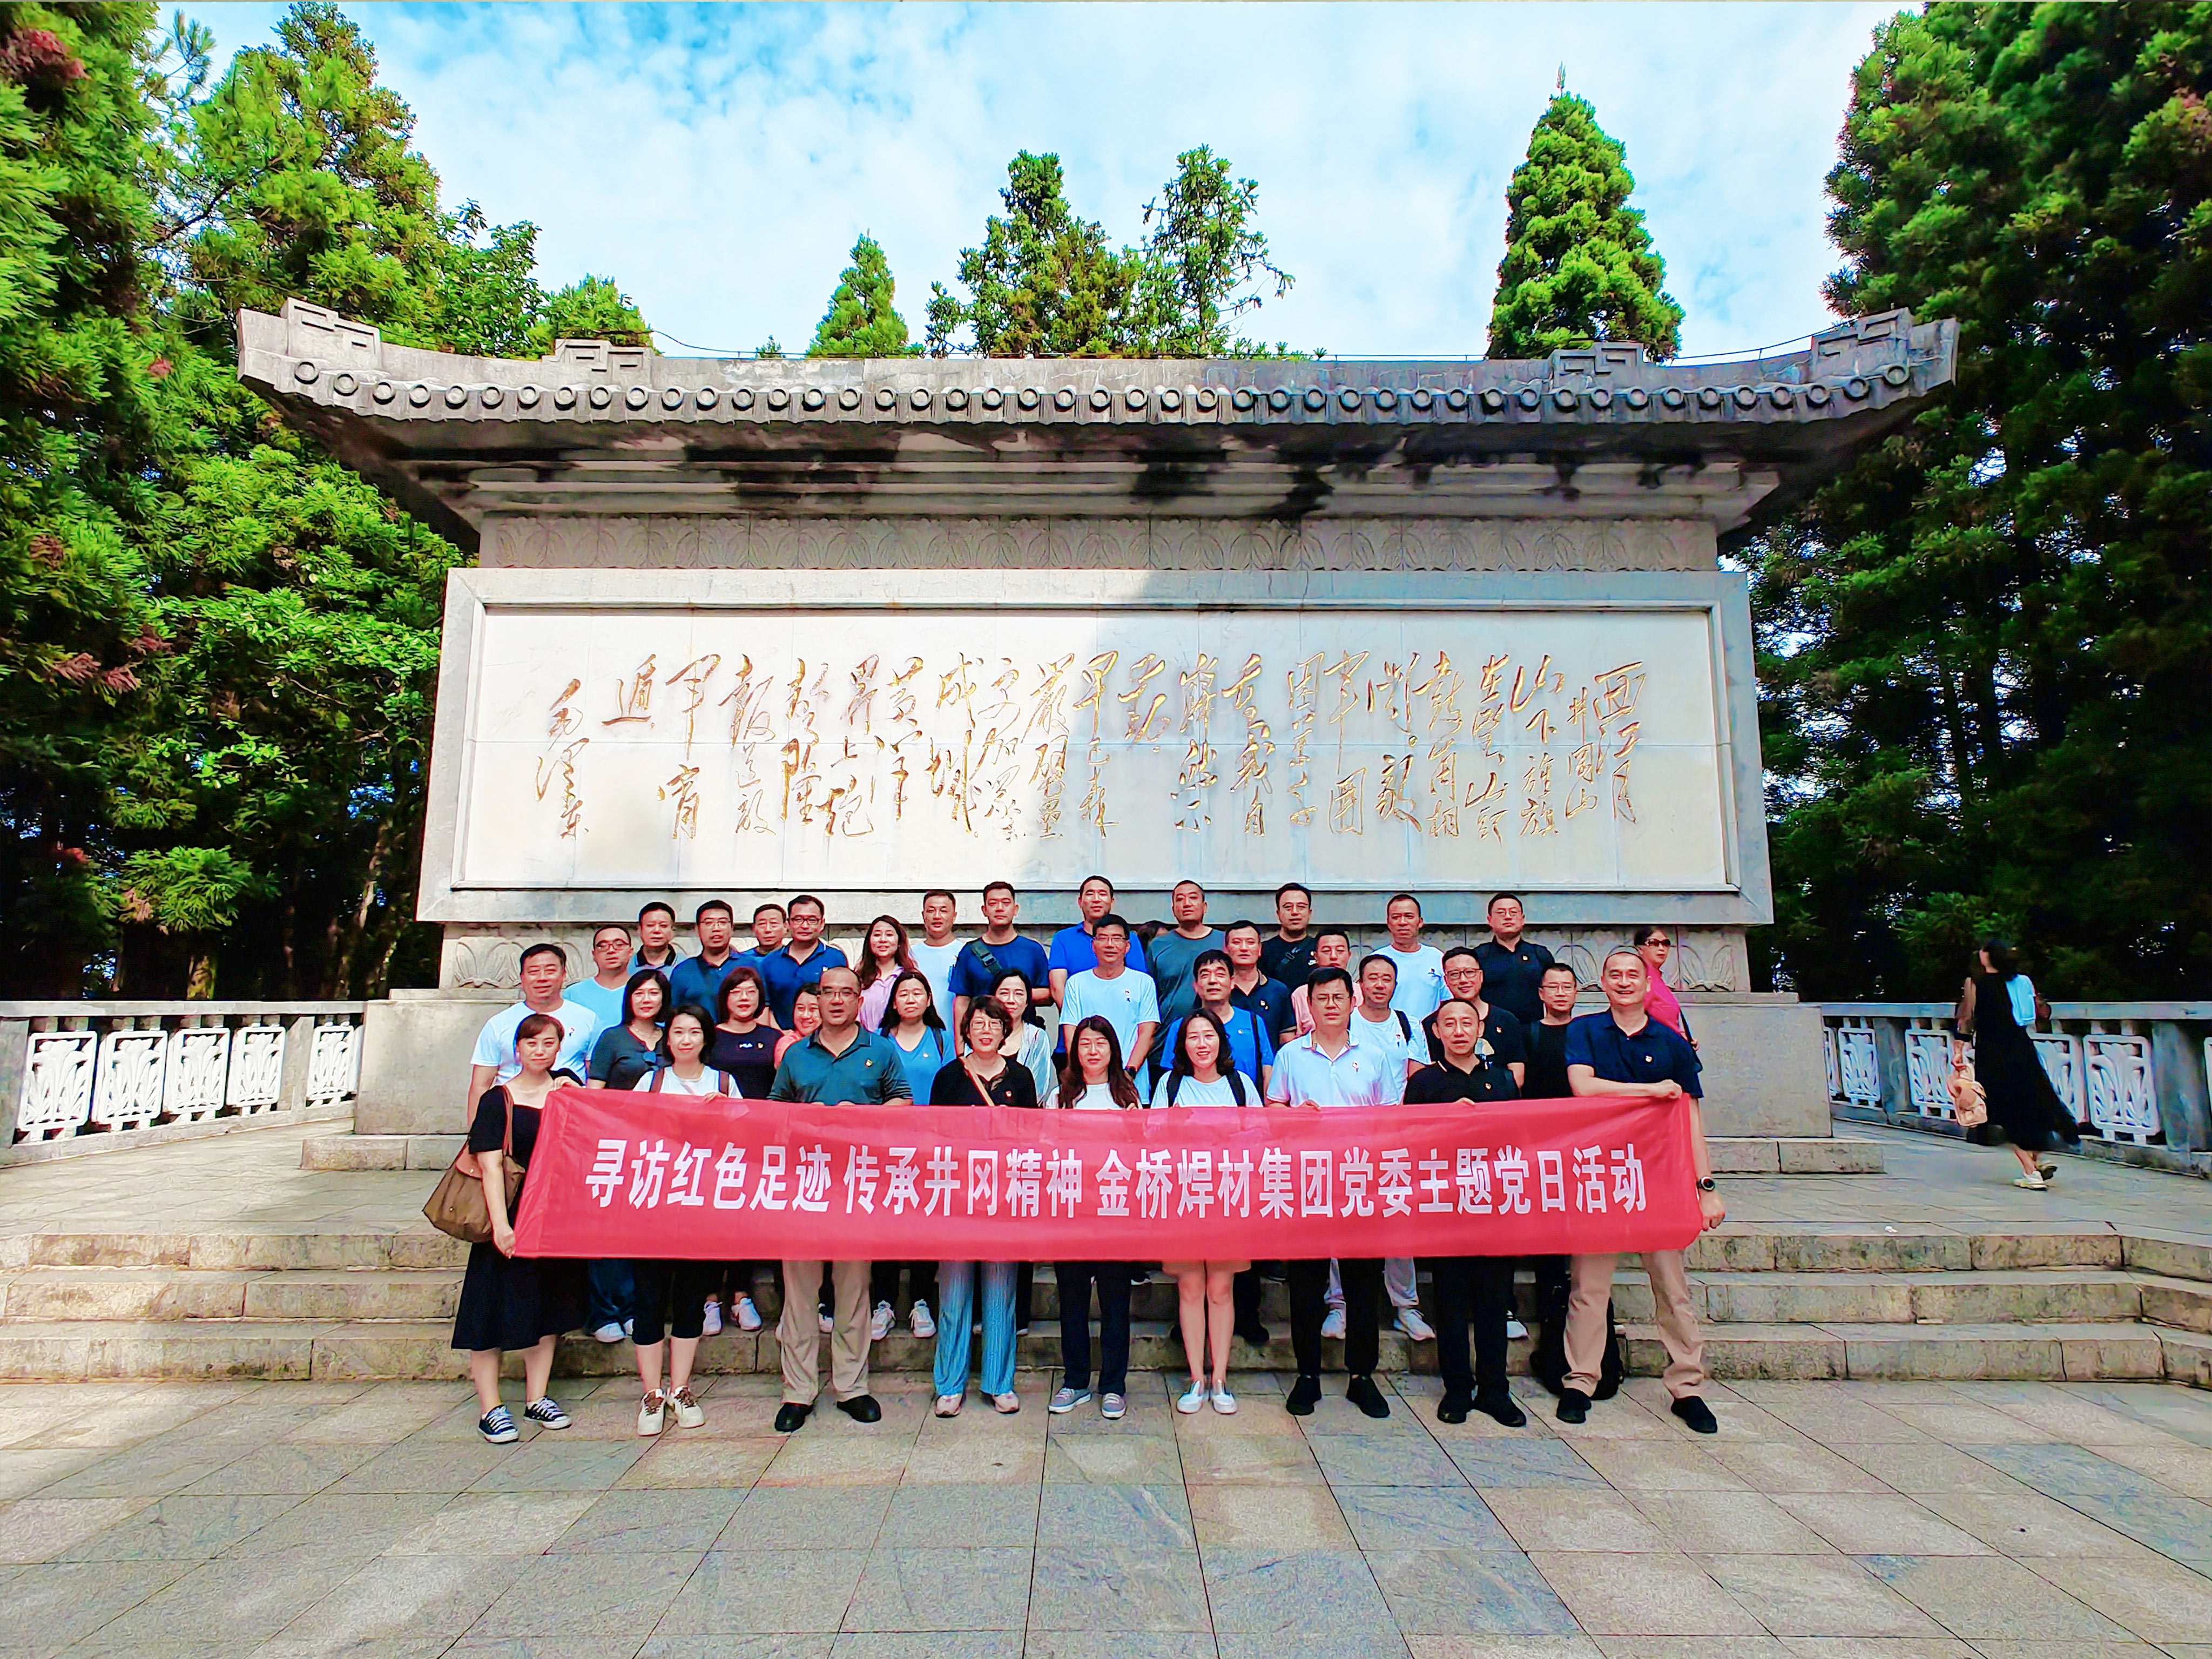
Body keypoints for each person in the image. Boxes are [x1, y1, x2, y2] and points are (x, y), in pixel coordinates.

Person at [1560, 948, 1727, 1434]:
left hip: (1661, 1177)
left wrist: (1707, 1187)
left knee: (1672, 1289)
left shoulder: (1672, 1042)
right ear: (1603, 983)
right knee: (1589, 1288)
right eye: (1616, 975)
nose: (1625, 982)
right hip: (1599, 1175)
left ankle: (1687, 1386)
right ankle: (1580, 1380)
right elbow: (1583, 1088)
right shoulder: (1585, 1031)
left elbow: (1690, 1118)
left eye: (1634, 974)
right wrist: (1652, 1092)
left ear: (1648, 983)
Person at [766, 966, 909, 1432]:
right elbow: (773, 1113)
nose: (836, 1001)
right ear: (818, 998)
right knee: (801, 1296)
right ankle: (799, 1392)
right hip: (804, 1187)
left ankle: (851, 1386)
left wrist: (863, 1116)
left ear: (858, 999)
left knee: (853, 1291)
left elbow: (904, 1104)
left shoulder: (881, 1050)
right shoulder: (796, 1056)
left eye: (847, 993)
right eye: (828, 993)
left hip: (857, 1187)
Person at [1267, 966, 1393, 1420]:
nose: (1332, 1005)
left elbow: (1391, 1119)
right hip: (1309, 1181)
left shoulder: (1376, 1055)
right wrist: (1293, 1115)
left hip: (1360, 1181)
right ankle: (1308, 1375)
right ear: (1310, 1005)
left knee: (1363, 1283)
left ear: (1352, 1001)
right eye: (1322, 998)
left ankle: (1362, 1376)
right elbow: (1273, 1108)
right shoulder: (1291, 1056)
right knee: (1306, 1284)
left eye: (1339, 997)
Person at [451, 1012, 582, 1442]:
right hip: (506, 1213)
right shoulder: (498, 1099)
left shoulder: (566, 1093)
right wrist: (502, 1227)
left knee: (546, 1309)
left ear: (559, 1048)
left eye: (548, 1043)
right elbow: (490, 1167)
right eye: (531, 1044)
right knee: (486, 1312)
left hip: (553, 1215)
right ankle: (490, 1407)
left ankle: (537, 1397)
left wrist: (575, 1089)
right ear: (517, 1050)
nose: (539, 1051)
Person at [1406, 999, 1527, 1427]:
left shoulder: (1502, 1079)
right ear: (1436, 1032)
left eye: (1467, 1022)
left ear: (1480, 1028)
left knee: (1494, 1304)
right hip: (1445, 1211)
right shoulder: (1424, 1083)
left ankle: (1496, 1389)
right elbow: (1409, 1142)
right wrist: (1444, 1121)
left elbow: (1520, 1138)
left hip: (1494, 1206)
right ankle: (1457, 1388)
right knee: (1452, 1304)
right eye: (1449, 1024)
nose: (1458, 1030)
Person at [626, 1007, 732, 1435]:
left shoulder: (724, 1083)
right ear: (666, 1040)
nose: (686, 1039)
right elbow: (623, 1133)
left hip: (702, 1208)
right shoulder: (650, 1082)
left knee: (691, 1298)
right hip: (654, 1206)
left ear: (706, 1038)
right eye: (678, 1032)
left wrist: (725, 1112)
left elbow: (747, 1139)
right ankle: (652, 1393)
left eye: (694, 1032)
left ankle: (682, 1387)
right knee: (649, 1299)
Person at [928, 999, 1034, 1418]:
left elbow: (1034, 1137)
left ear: (1005, 1030)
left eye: (994, 1023)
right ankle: (950, 1385)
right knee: (953, 1295)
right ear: (966, 1030)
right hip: (956, 1197)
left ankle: (999, 1382)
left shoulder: (1020, 1077)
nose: (986, 1029)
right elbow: (932, 1136)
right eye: (978, 1023)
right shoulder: (949, 1077)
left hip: (1004, 1199)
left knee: (1001, 1294)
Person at [1156, 1010, 1255, 1417]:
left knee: (1221, 1289)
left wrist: (1221, 1136)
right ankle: (1196, 1378)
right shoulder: (1171, 1084)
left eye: (1208, 1035)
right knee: (1191, 1288)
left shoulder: (1239, 1084)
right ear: (1182, 1045)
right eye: (1193, 1036)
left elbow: (1259, 1134)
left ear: (1220, 1041)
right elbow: (1154, 1136)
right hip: (1183, 1198)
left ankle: (1221, 1379)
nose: (1201, 1043)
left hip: (1229, 1197)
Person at [1047, 1015, 1144, 1420]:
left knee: (1114, 1302)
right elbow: (1046, 1149)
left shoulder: (1127, 1096)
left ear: (1113, 1049)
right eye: (1085, 1044)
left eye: (1100, 1044)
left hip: (1115, 1214)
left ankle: (1113, 1385)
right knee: (1071, 1300)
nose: (1092, 1051)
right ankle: (1074, 1381)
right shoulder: (1060, 1095)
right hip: (1071, 1213)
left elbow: (1140, 1152)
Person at [1337, 954, 1431, 1344]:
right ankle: (1337, 1304)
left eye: (1387, 979)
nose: (1379, 985)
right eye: (1372, 978)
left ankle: (1406, 1306)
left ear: (1395, 985)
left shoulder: (1406, 1024)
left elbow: (1418, 1075)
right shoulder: (1345, 1023)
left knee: (1396, 1219)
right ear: (1360, 984)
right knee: (1338, 1220)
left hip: (1394, 1135)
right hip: (1344, 1137)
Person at [1954, 936, 2080, 1189]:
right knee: (2034, 1100)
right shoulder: (2021, 982)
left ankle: (2030, 1171)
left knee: (2003, 1108)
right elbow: (2037, 1015)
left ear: (1986, 957)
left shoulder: (1975, 985)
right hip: (2022, 1049)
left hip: (1992, 1053)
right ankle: (2036, 1162)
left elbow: (1966, 1020)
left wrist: (1959, 1049)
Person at [872, 970, 948, 1343]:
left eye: (918, 992)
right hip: (886, 1147)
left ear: (929, 1000)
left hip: (930, 1149)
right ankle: (883, 1302)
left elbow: (951, 1086)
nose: (911, 999)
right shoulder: (878, 1041)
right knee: (885, 1224)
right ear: (894, 1002)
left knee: (924, 1225)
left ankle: (921, 1301)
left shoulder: (942, 1039)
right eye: (904, 994)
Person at [703, 968, 779, 1337]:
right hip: (715, 1142)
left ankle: (740, 1294)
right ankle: (709, 1298)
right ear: (725, 999)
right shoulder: (709, 1038)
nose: (744, 998)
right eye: (737, 992)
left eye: (751, 992)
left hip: (760, 1142)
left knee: (747, 1218)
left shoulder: (773, 1038)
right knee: (714, 1221)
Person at [1521, 961, 1584, 1366]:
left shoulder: (1590, 1031)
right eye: (1553, 987)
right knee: (1547, 1239)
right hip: (1541, 1144)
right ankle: (1550, 1324)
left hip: (1585, 1145)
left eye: (1568, 986)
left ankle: (1588, 1323)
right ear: (1541, 993)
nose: (1561, 993)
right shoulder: (1529, 1032)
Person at [466, 942, 600, 1124]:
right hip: (511, 1118)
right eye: (534, 971)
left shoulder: (588, 1019)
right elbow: (481, 1084)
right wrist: (476, 1136)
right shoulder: (499, 1024)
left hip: (569, 1118)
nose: (542, 978)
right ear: (522, 978)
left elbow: (596, 1079)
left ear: (564, 975)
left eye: (550, 970)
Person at [949, 880, 1051, 1043]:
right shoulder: (969, 952)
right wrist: (961, 1047)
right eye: (993, 903)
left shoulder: (1033, 950)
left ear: (1015, 909)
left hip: (1024, 1038)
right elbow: (962, 1001)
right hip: (981, 1038)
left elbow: (1048, 994)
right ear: (984, 910)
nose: (999, 908)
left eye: (1006, 903)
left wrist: (1012, 996)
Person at [1058, 914, 1159, 1075]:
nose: (1110, 945)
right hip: (1087, 1081)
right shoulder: (1076, 983)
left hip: (1132, 1080)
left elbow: (1146, 1033)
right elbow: (1071, 1033)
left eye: (1117, 938)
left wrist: (1130, 1073)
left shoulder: (1143, 982)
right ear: (1093, 945)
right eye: (1103, 938)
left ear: (1127, 946)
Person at [1164, 950, 1275, 1089]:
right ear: (1196, 986)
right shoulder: (1181, 1027)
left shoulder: (1253, 1022)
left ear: (1233, 982)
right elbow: (1170, 1075)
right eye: (1205, 975)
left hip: (1246, 1105)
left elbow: (1267, 1068)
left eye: (1220, 974)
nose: (1213, 981)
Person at [1422, 948, 1528, 1088]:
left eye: (1470, 972)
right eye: (1455, 975)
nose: (1463, 980)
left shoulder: (1507, 1020)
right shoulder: (1433, 1024)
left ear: (1481, 976)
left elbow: (1517, 1076)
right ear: (1446, 980)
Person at [1047, 875, 1152, 1015]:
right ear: (1080, 902)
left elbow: (1139, 987)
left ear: (1112, 902)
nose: (1096, 899)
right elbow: (1058, 988)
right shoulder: (1063, 939)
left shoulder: (1129, 938)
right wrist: (1077, 1023)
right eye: (1090, 894)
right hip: (1076, 1028)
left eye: (1102, 894)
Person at [1148, 880, 1226, 1028]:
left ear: (1205, 907)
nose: (1187, 904)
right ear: (1173, 909)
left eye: (1193, 898)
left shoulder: (1225, 941)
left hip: (1218, 1031)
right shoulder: (1158, 946)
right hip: (1168, 1031)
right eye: (1180, 899)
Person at [761, 894, 847, 1026]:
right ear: (789, 924)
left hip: (826, 1038)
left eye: (812, 920)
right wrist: (781, 1035)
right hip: (781, 1038)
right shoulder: (770, 962)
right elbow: (765, 1008)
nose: (805, 926)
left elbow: (843, 1002)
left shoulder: (836, 958)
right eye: (798, 920)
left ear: (822, 924)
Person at [1475, 892, 1556, 1030]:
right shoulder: (1479, 956)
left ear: (1522, 919)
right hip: (1492, 1031)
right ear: (1490, 920)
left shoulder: (1540, 955)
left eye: (1513, 912)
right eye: (1501, 913)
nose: (1508, 917)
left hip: (1534, 1031)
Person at [586, 968, 671, 1092]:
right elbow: (594, 1090)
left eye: (653, 993)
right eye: (639, 994)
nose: (646, 1000)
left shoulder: (672, 1037)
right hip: (617, 1110)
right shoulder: (612, 1038)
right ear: (629, 999)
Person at [1379, 893, 1448, 1024]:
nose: (1403, 923)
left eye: (1409, 916)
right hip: (1389, 1034)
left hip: (1430, 1035)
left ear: (1420, 922)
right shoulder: (1377, 961)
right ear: (1389, 923)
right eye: (1396, 917)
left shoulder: (1437, 958)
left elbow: (1448, 1001)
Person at [1223, 920, 1295, 1044]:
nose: (1244, 948)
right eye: (1237, 943)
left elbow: (1287, 1039)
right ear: (1226, 949)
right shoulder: (1218, 990)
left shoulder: (1278, 991)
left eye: (1250, 943)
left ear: (1260, 949)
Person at [992, 969, 1056, 1105]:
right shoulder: (979, 1035)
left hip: (1024, 1118)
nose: (1011, 1000)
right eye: (1004, 993)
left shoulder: (1037, 1037)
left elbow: (1039, 1089)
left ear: (1028, 1001)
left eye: (1019, 994)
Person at [668, 900, 743, 1015]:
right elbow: (673, 1014)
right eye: (709, 923)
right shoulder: (683, 971)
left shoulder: (749, 966)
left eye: (722, 922)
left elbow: (762, 1012)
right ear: (697, 930)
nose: (716, 929)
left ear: (732, 929)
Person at [567, 924, 636, 1032]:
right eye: (602, 946)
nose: (611, 950)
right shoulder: (573, 994)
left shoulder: (643, 991)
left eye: (619, 944)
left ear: (630, 951)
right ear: (594, 954)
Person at [855, 914, 916, 1032]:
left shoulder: (909, 977)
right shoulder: (858, 978)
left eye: (889, 935)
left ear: (899, 942)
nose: (883, 940)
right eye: (877, 935)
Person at [909, 889, 963, 1023]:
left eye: (944, 911)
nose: (937, 916)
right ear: (923, 915)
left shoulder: (966, 953)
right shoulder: (909, 956)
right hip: (919, 1037)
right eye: (931, 911)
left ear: (954, 916)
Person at [1633, 925, 1694, 1044]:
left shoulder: (1657, 978)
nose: (1661, 948)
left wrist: (1681, 1036)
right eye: (1654, 943)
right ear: (1640, 949)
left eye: (1665, 943)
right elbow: (1631, 1017)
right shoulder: (1643, 978)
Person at [1289, 929, 1354, 1035]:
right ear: (1315, 956)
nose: (1333, 956)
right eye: (1326, 951)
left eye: (1340, 951)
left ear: (1349, 955)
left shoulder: (1361, 992)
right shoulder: (1301, 994)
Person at [1259, 880, 1317, 988]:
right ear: (1278, 914)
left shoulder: (1321, 948)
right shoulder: (1262, 952)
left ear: (1309, 913)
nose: (1295, 912)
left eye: (1301, 907)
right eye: (1288, 907)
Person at [734, 901, 788, 975]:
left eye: (774, 924)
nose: (767, 930)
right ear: (754, 928)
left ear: (785, 927)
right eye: (762, 924)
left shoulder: (793, 959)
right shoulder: (742, 960)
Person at [773, 986, 820, 1067]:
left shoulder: (834, 1041)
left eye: (813, 1009)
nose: (806, 1016)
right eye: (801, 1009)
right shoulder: (787, 1043)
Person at [630, 901, 680, 972]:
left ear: (673, 931)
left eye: (663, 926)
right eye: (650, 925)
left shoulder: (685, 966)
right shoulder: (627, 966)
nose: (657, 931)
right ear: (640, 930)